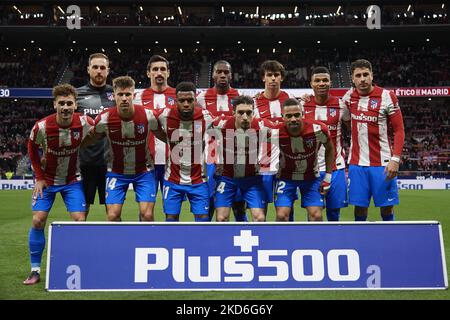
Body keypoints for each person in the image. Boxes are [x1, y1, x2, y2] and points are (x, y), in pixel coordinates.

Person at [24, 84, 93, 285]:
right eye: (61, 103)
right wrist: (39, 177)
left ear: (75, 104)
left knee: (80, 221)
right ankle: (35, 270)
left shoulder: (85, 121)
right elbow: (32, 150)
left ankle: (78, 264)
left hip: (72, 180)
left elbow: (96, 134)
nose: (65, 107)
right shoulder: (42, 127)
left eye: (69, 103)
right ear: (55, 104)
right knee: (38, 220)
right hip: (47, 181)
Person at [85, 76, 162, 222]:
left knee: (147, 215)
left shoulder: (148, 115)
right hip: (116, 172)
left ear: (134, 95)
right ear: (114, 96)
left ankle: (143, 243)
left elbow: (163, 136)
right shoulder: (104, 119)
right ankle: (119, 244)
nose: (124, 98)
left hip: (143, 172)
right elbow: (91, 138)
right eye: (120, 94)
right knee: (112, 215)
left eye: (128, 94)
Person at [342, 59, 405, 221]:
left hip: (383, 163)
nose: (362, 79)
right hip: (357, 164)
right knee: (360, 208)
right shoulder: (348, 97)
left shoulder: (386, 96)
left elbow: (399, 130)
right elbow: (346, 121)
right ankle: (361, 242)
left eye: (365, 74)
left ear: (372, 75)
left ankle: (389, 241)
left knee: (386, 207)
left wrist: (395, 159)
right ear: (353, 78)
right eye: (358, 75)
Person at [155, 81, 214, 222]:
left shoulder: (207, 117)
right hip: (172, 180)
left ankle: (199, 245)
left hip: (199, 180)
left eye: (190, 100)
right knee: (171, 220)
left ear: (195, 100)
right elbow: (152, 126)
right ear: (176, 101)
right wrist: (169, 140)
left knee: (202, 220)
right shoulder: (164, 116)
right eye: (182, 101)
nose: (186, 104)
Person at [196, 60, 247, 222]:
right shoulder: (201, 98)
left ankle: (243, 240)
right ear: (213, 74)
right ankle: (204, 241)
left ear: (231, 75)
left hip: (235, 158)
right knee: (209, 201)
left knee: (239, 204)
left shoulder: (239, 97)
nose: (223, 75)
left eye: (226, 72)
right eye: (219, 72)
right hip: (210, 158)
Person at [212, 95, 271, 222]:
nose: (245, 117)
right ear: (233, 113)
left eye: (249, 113)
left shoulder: (262, 126)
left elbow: (283, 137)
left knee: (259, 217)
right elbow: (201, 138)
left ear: (254, 113)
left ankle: (260, 241)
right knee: (221, 218)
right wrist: (216, 159)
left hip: (252, 179)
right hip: (227, 178)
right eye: (240, 112)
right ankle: (224, 242)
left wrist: (265, 162)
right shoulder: (220, 124)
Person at [274, 98, 334, 222]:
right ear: (282, 117)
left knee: (316, 216)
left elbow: (330, 149)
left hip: (311, 178)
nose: (293, 119)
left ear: (302, 114)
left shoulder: (318, 129)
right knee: (281, 216)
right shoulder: (275, 132)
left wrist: (328, 177)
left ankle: (314, 241)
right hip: (286, 178)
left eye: (297, 115)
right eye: (289, 116)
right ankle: (283, 241)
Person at [302, 66, 349, 221]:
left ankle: (333, 243)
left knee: (334, 214)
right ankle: (312, 243)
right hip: (311, 170)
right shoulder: (303, 106)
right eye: (317, 80)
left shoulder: (342, 105)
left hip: (336, 168)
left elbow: (353, 130)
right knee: (314, 215)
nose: (321, 83)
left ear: (330, 83)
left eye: (325, 80)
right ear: (311, 84)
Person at [254, 60, 296, 219]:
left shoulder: (291, 99)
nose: (273, 78)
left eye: (276, 75)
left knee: (286, 212)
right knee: (260, 212)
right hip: (262, 164)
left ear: (282, 78)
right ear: (263, 78)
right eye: (269, 75)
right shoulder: (254, 102)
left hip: (286, 164)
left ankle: (289, 240)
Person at [76, 53, 115, 219]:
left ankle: (115, 245)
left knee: (113, 213)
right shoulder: (77, 95)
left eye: (102, 68)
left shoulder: (117, 95)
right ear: (88, 70)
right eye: (95, 67)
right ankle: (80, 244)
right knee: (81, 213)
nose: (99, 71)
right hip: (85, 162)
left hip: (111, 163)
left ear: (108, 71)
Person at [134, 55, 176, 198]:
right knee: (145, 211)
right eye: (155, 69)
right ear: (148, 73)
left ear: (168, 73)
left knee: (171, 210)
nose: (159, 72)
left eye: (163, 69)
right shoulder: (137, 97)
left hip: (172, 162)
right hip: (147, 162)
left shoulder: (178, 96)